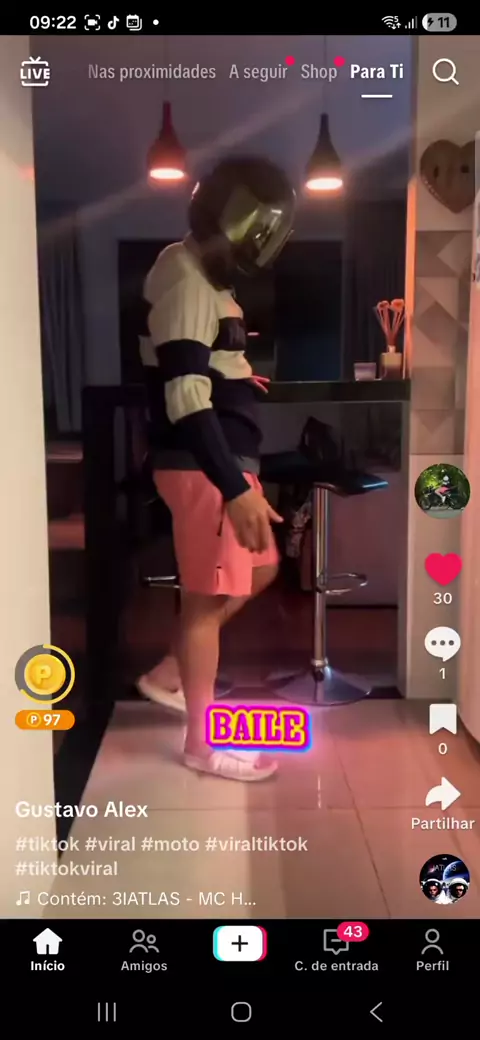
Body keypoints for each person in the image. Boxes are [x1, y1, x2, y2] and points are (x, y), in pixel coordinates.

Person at [136, 156, 296, 782]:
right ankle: (201, 748)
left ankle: (169, 672)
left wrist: (236, 378)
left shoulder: (203, 279)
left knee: (262, 569)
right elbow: (184, 395)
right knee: (205, 605)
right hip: (207, 468)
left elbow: (204, 365)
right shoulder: (184, 277)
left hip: (222, 463)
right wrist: (233, 487)